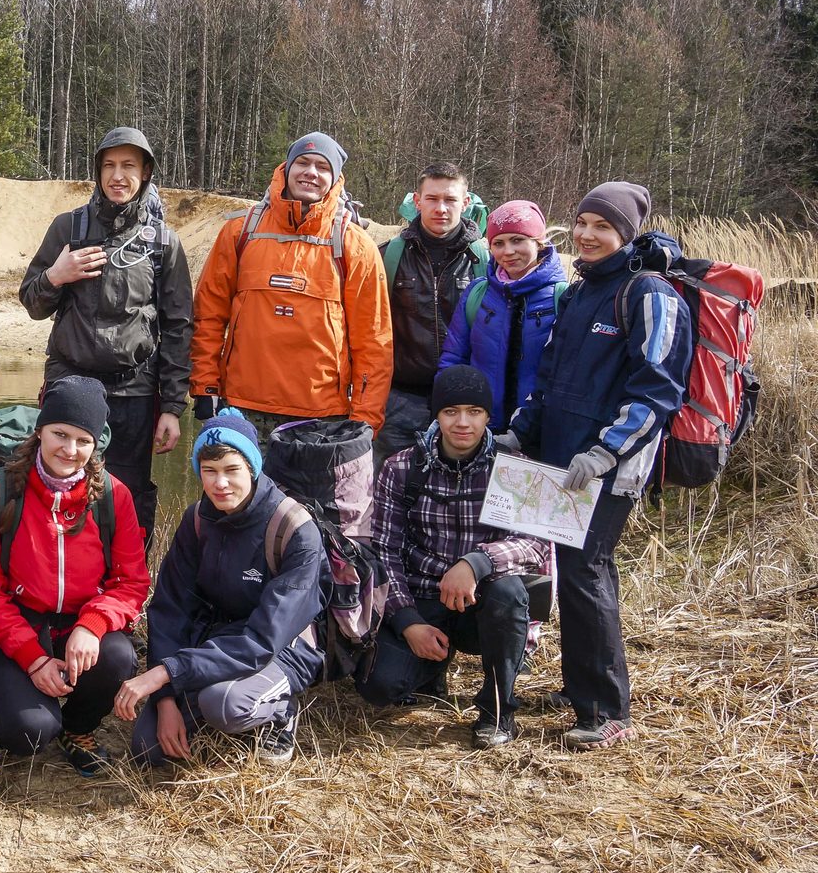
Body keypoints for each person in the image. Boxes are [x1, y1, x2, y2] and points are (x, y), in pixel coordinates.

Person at [502, 182, 691, 750]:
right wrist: (520, 431)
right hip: (563, 457)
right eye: (581, 223)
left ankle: (607, 709)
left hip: (610, 462)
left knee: (587, 570)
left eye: (602, 227)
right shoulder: (578, 293)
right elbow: (551, 378)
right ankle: (580, 686)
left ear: (626, 235)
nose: (586, 235)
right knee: (575, 567)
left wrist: (607, 450)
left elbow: (657, 389)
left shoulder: (648, 294)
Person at [117, 410, 326, 767]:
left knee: (225, 705)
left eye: (232, 470)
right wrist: (166, 698)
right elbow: (171, 609)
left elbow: (261, 641)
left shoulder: (294, 529)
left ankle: (280, 712)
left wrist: (166, 672)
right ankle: (203, 702)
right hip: (215, 640)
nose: (220, 484)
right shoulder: (197, 518)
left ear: (253, 469)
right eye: (209, 472)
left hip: (279, 647)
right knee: (149, 749)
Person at [357, 366, 550, 749]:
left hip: (485, 600)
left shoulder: (513, 467)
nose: (463, 423)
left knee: (510, 594)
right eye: (451, 412)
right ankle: (430, 668)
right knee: (378, 686)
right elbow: (385, 551)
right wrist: (408, 622)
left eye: (474, 412)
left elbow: (536, 543)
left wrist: (477, 563)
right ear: (436, 415)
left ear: (488, 417)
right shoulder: (401, 468)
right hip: (424, 595)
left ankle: (497, 710)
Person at [0, 377, 150, 775]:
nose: (70, 450)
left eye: (83, 440)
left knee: (118, 655)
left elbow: (132, 583)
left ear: (97, 443)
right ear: (40, 431)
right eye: (60, 434)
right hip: (14, 627)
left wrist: (94, 623)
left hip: (78, 624)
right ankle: (27, 711)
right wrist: (33, 660)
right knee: (29, 733)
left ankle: (78, 727)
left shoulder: (114, 497)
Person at [18, 127, 192, 545]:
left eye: (129, 166)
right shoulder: (68, 228)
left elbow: (179, 327)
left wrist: (171, 406)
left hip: (135, 393)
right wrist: (56, 277)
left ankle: (125, 595)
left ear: (146, 172)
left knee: (127, 499)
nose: (118, 175)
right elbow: (32, 302)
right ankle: (56, 587)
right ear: (97, 171)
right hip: (71, 384)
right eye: (109, 165)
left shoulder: (163, 243)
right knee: (60, 488)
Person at [190, 131, 392, 445]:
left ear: (335, 178)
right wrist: (205, 388)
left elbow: (374, 342)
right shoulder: (239, 232)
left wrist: (366, 418)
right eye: (303, 162)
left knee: (308, 498)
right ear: (286, 169)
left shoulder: (354, 245)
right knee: (235, 495)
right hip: (241, 410)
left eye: (322, 167)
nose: (311, 172)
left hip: (322, 418)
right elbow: (208, 318)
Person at [374, 162, 487, 463]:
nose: (441, 208)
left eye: (450, 200)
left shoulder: (486, 260)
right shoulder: (388, 255)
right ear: (417, 201)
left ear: (465, 203)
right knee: (389, 489)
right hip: (398, 400)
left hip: (462, 404)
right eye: (433, 199)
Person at [439, 200, 568, 431]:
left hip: (539, 431)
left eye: (518, 240)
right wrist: (447, 411)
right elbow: (453, 358)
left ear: (538, 243)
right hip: (480, 429)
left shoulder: (563, 297)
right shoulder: (478, 294)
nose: (508, 251)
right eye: (498, 243)